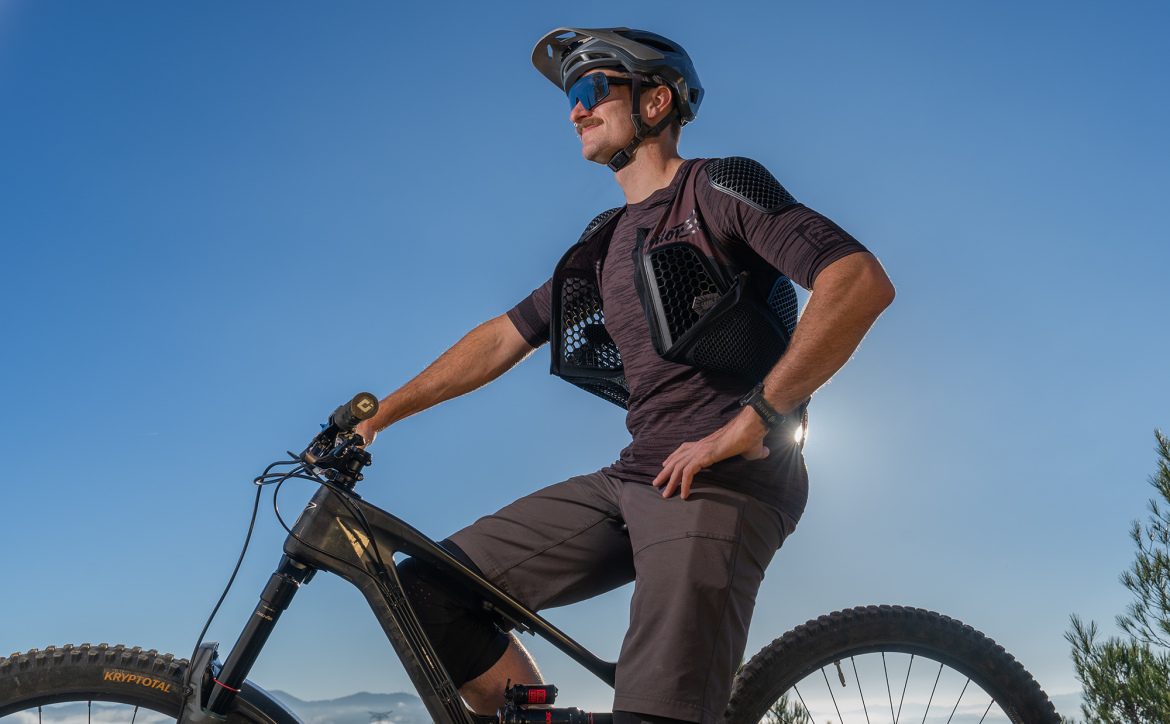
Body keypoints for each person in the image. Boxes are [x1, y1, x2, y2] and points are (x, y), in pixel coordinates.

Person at [355, 26, 895, 724]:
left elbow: (856, 281)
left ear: (656, 100)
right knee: (427, 592)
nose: (574, 111)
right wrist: (378, 417)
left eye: (589, 91)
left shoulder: (717, 187)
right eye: (570, 98)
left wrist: (755, 417)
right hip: (637, 473)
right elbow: (502, 337)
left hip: (724, 478)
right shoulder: (606, 239)